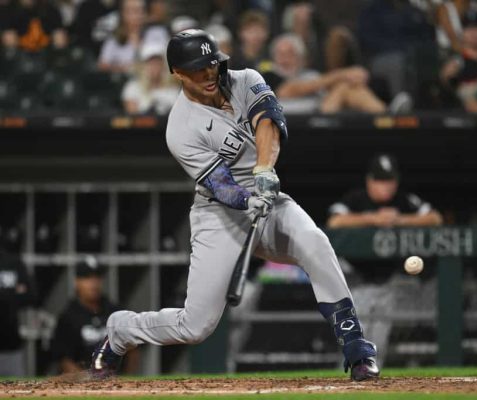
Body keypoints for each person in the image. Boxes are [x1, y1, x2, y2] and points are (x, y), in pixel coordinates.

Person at [90, 29, 380, 382]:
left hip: (268, 196)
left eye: (212, 65)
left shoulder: (246, 80)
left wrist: (263, 170)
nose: (209, 74)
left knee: (314, 242)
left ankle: (357, 348)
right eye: (198, 70)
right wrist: (246, 197)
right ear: (178, 74)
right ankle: (122, 330)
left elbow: (268, 124)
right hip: (218, 214)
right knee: (195, 326)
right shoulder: (180, 128)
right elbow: (220, 186)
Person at [327, 154, 443, 365]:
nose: (386, 186)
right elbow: (335, 221)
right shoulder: (356, 198)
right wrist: (372, 218)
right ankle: (345, 383)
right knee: (353, 339)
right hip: (356, 282)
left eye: (390, 181)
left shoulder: (404, 200)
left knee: (378, 342)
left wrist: (400, 219)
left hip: (388, 283)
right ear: (370, 181)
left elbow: (435, 218)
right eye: (380, 181)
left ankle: (369, 380)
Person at [261, 33, 387, 114]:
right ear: (273, 57)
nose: (285, 59)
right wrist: (343, 74)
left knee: (347, 87)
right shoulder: (269, 75)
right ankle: (387, 114)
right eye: (280, 54)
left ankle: (385, 114)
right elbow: (289, 91)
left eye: (290, 54)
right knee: (343, 87)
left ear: (301, 59)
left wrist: (352, 77)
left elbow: (328, 88)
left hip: (323, 113)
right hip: (293, 122)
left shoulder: (310, 75)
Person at [53, 257, 139, 374]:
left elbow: (132, 349)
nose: (93, 283)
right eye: (87, 277)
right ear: (77, 282)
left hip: (115, 382)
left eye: (97, 277)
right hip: (81, 383)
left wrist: (126, 380)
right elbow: (64, 359)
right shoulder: (68, 316)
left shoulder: (114, 311)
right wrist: (87, 382)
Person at [439, 10, 477, 107]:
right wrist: (447, 77)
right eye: (470, 29)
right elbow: (447, 85)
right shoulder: (456, 60)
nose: (474, 33)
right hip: (462, 111)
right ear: (462, 32)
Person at [97, 0, 168, 74]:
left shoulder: (158, 33)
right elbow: (102, 66)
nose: (140, 14)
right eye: (135, 11)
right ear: (123, 14)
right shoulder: (113, 40)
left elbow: (167, 62)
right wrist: (125, 68)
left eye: (142, 10)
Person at [0, 248, 34, 377]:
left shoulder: (13, 262)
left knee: (19, 394)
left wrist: (5, 296)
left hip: (12, 346)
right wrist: (12, 292)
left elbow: (32, 295)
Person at [121, 43, 179, 115]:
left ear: (163, 66)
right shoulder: (132, 88)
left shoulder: (173, 91)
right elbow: (133, 116)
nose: (154, 67)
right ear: (143, 66)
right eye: (150, 63)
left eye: (157, 63)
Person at [1, 0, 68, 51]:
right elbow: (8, 43)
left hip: (47, 57)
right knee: (9, 38)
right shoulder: (8, 10)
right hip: (19, 59)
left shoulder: (50, 9)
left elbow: (60, 39)